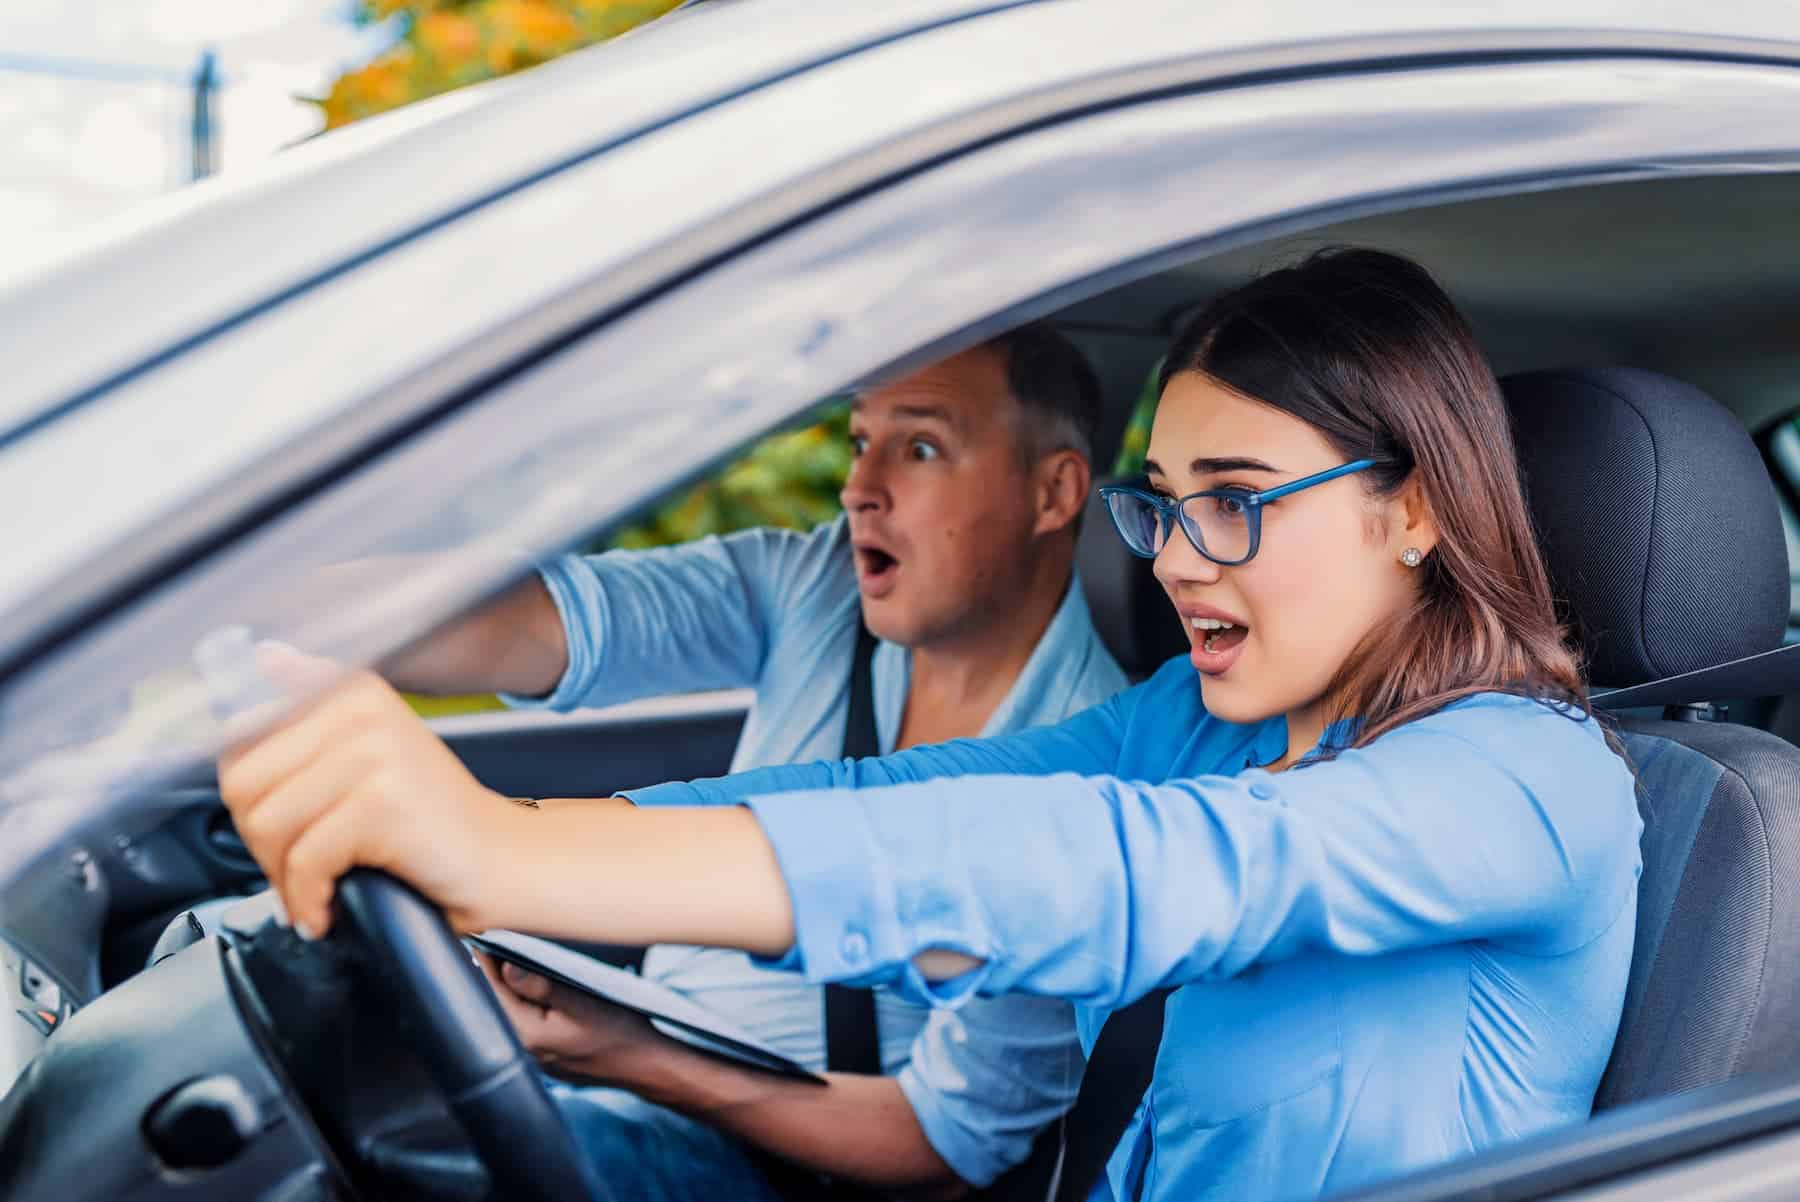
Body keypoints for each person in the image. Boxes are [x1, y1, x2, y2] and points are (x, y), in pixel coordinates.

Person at [219, 248, 1643, 1202]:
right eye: (1164, 501)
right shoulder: (1191, 731)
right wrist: (513, 840)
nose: (1178, 557)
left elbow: (1113, 866)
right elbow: (894, 801)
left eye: (1237, 499)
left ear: (1415, 509)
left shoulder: (1526, 780)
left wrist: (498, 851)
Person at [355, 327, 1128, 1200]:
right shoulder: (816, 586)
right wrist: (270, 621)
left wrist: (630, 1055)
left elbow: (941, 1149)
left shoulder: (1089, 789)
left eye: (919, 447)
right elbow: (536, 627)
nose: (858, 490)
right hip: (625, 1074)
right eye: (858, 441)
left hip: (786, 1163)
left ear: (1053, 491)